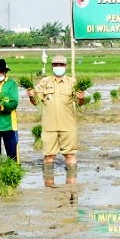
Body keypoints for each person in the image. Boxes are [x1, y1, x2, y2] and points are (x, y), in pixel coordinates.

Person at [27, 55, 85, 186]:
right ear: (52, 66)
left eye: (61, 65)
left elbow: (80, 103)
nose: (58, 67)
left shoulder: (73, 83)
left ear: (66, 66)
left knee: (70, 156)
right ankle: (49, 187)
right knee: (48, 157)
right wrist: (31, 96)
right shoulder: (44, 82)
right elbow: (36, 102)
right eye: (56, 65)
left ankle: (71, 188)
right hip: (49, 126)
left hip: (68, 126)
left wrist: (82, 98)